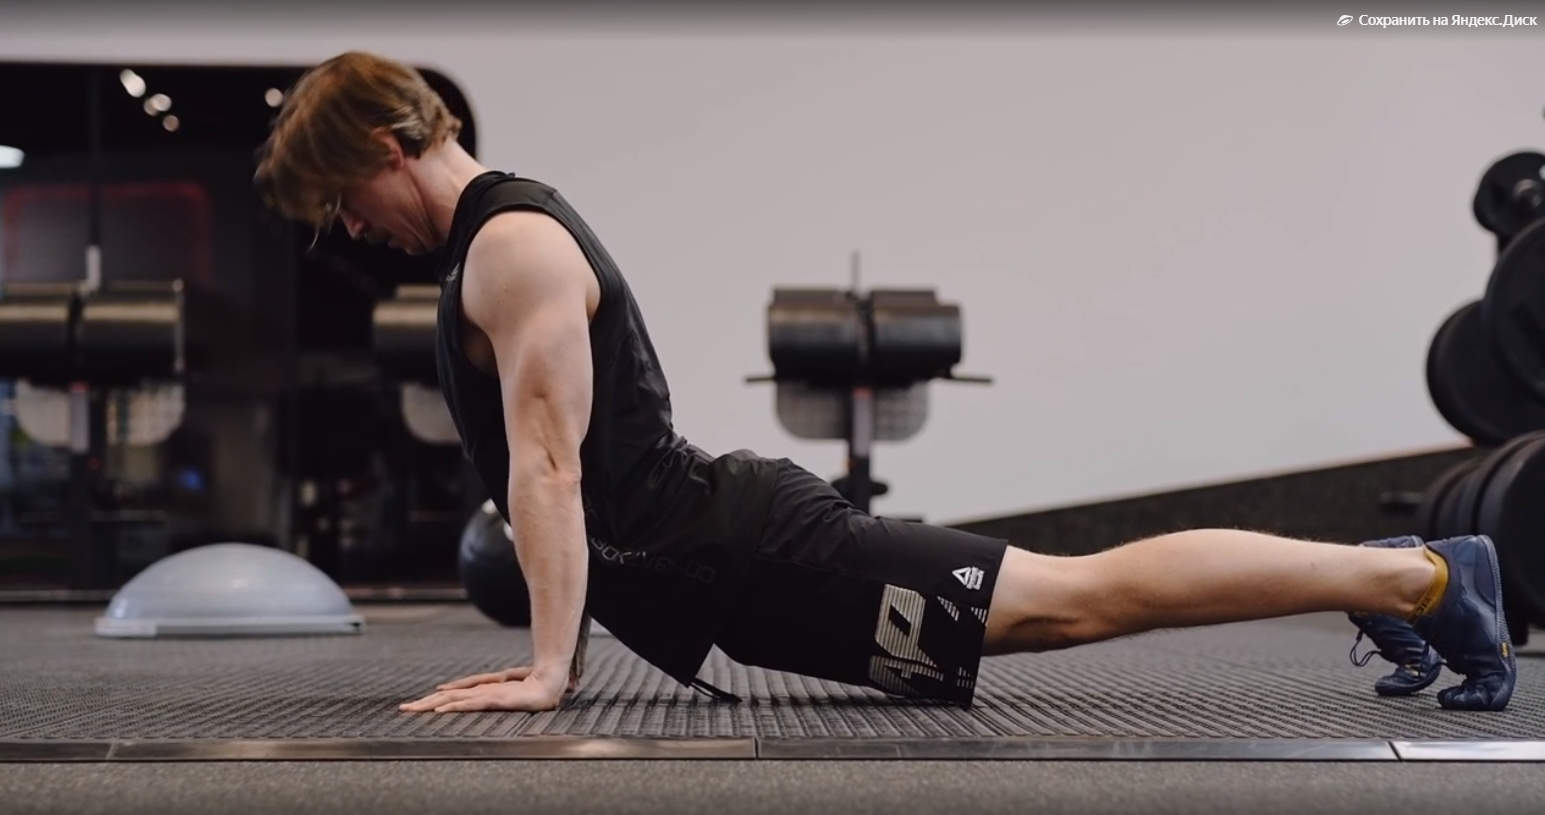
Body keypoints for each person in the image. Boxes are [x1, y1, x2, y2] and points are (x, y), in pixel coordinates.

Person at [254, 51, 1517, 716]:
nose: (351, 230)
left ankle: (1420, 577)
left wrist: (547, 670)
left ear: (390, 145)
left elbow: (546, 465)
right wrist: (558, 655)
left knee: (1078, 601)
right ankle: (1386, 574)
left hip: (759, 552)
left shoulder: (512, 247)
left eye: (342, 201)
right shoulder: (491, 244)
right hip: (736, 568)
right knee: (1071, 602)